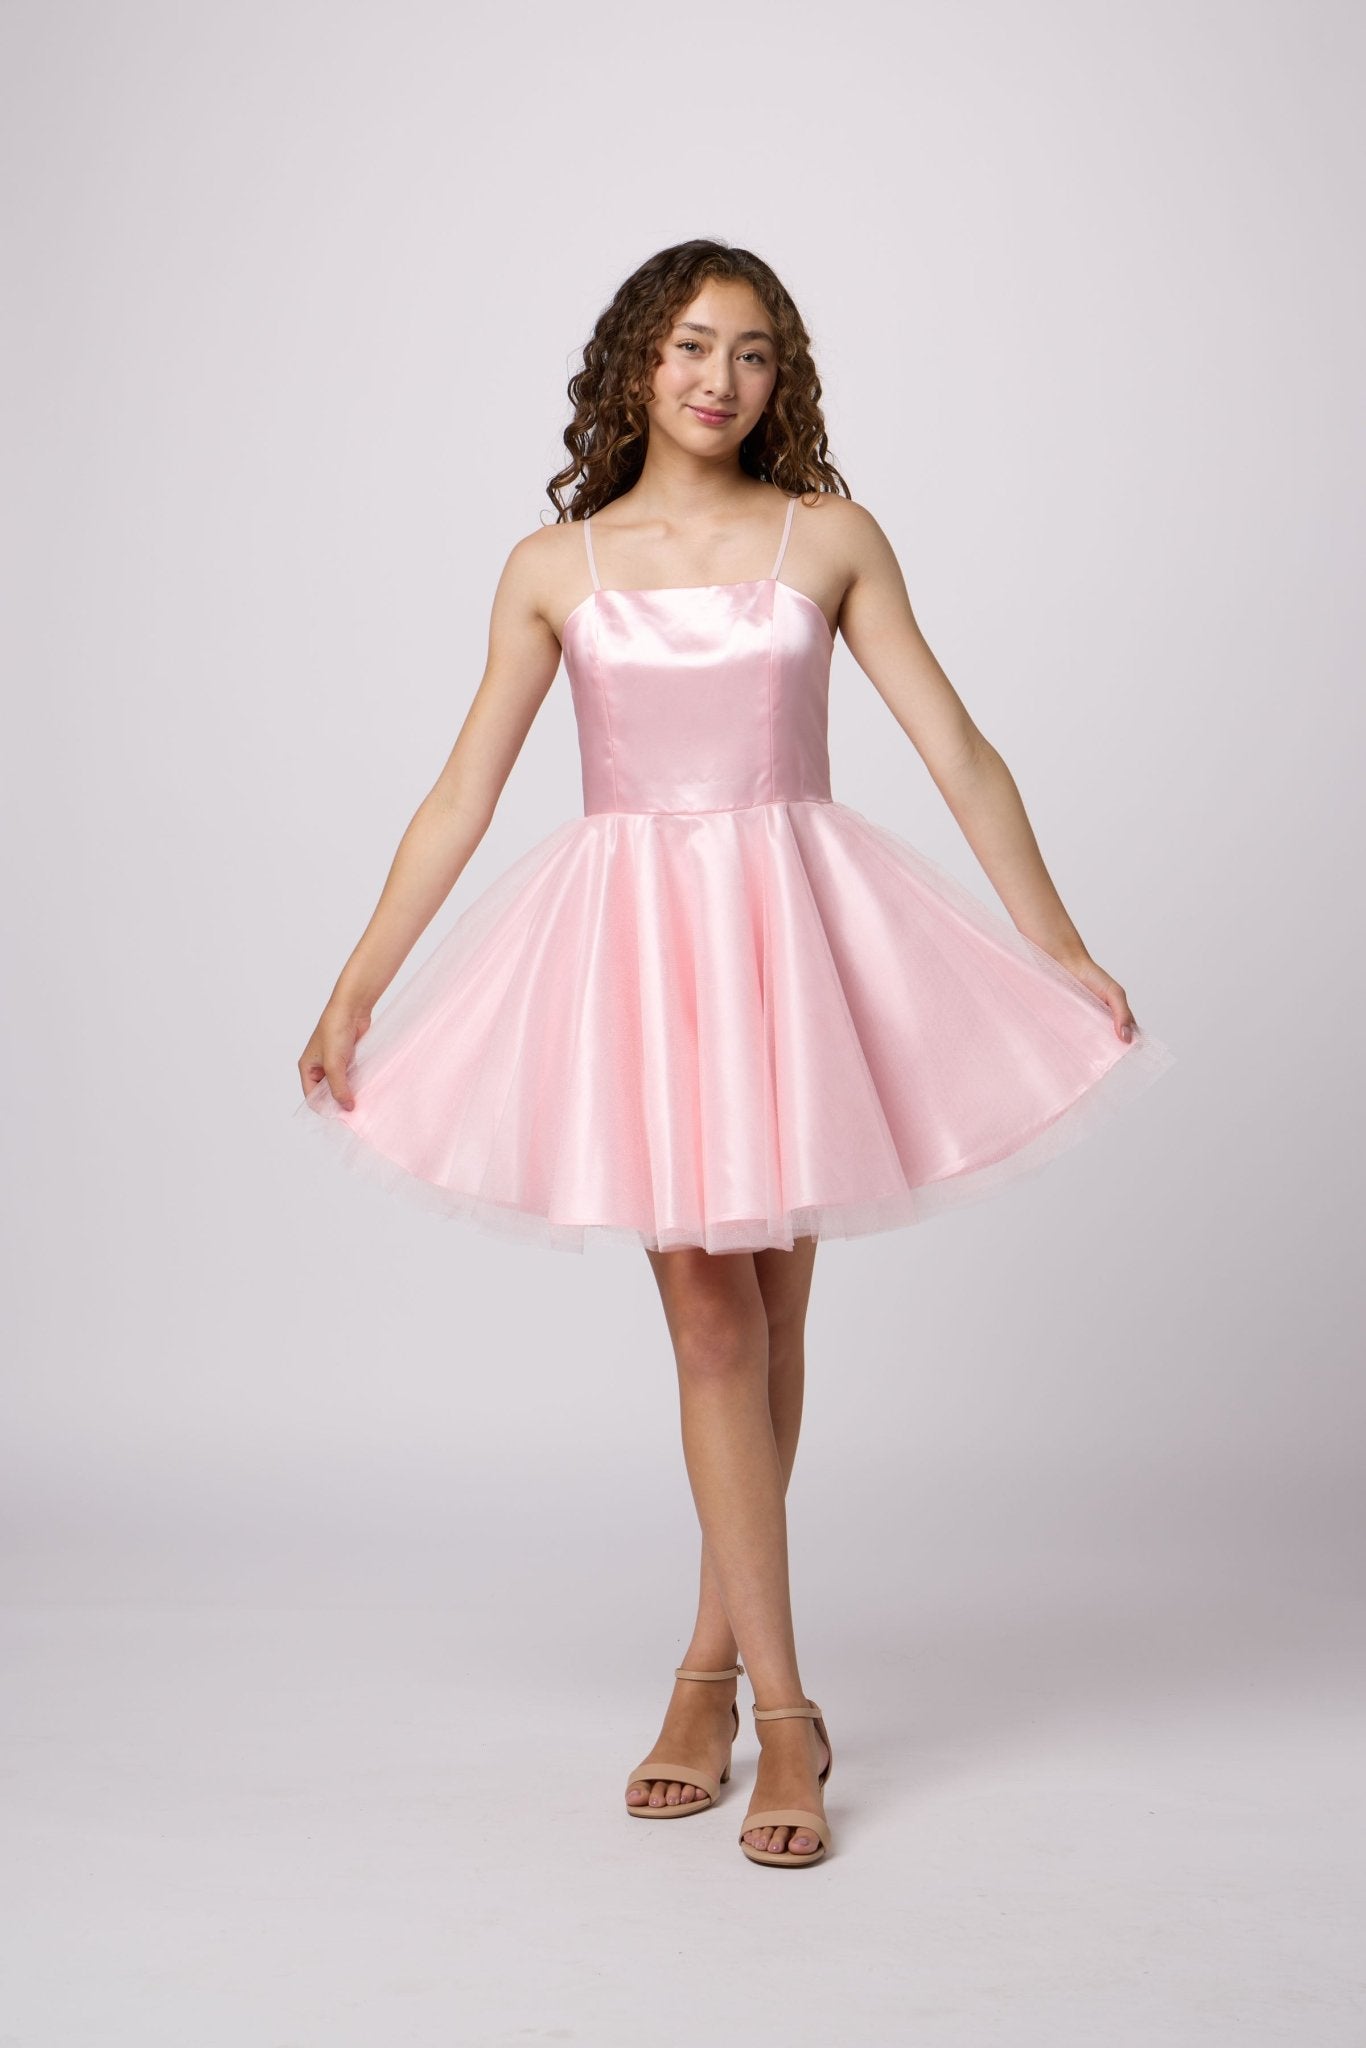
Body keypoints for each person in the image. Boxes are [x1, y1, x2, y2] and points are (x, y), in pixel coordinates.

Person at [294, 239, 1176, 1868]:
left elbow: (956, 746)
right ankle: (787, 1719)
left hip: (795, 939)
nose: (721, 378)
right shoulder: (553, 566)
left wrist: (1053, 943)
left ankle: (703, 1672)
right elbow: (462, 791)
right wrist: (360, 984)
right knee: (712, 1321)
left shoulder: (824, 536)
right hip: (638, 954)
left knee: (766, 1326)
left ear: (785, 378)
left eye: (755, 351)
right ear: (635, 360)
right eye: (692, 345)